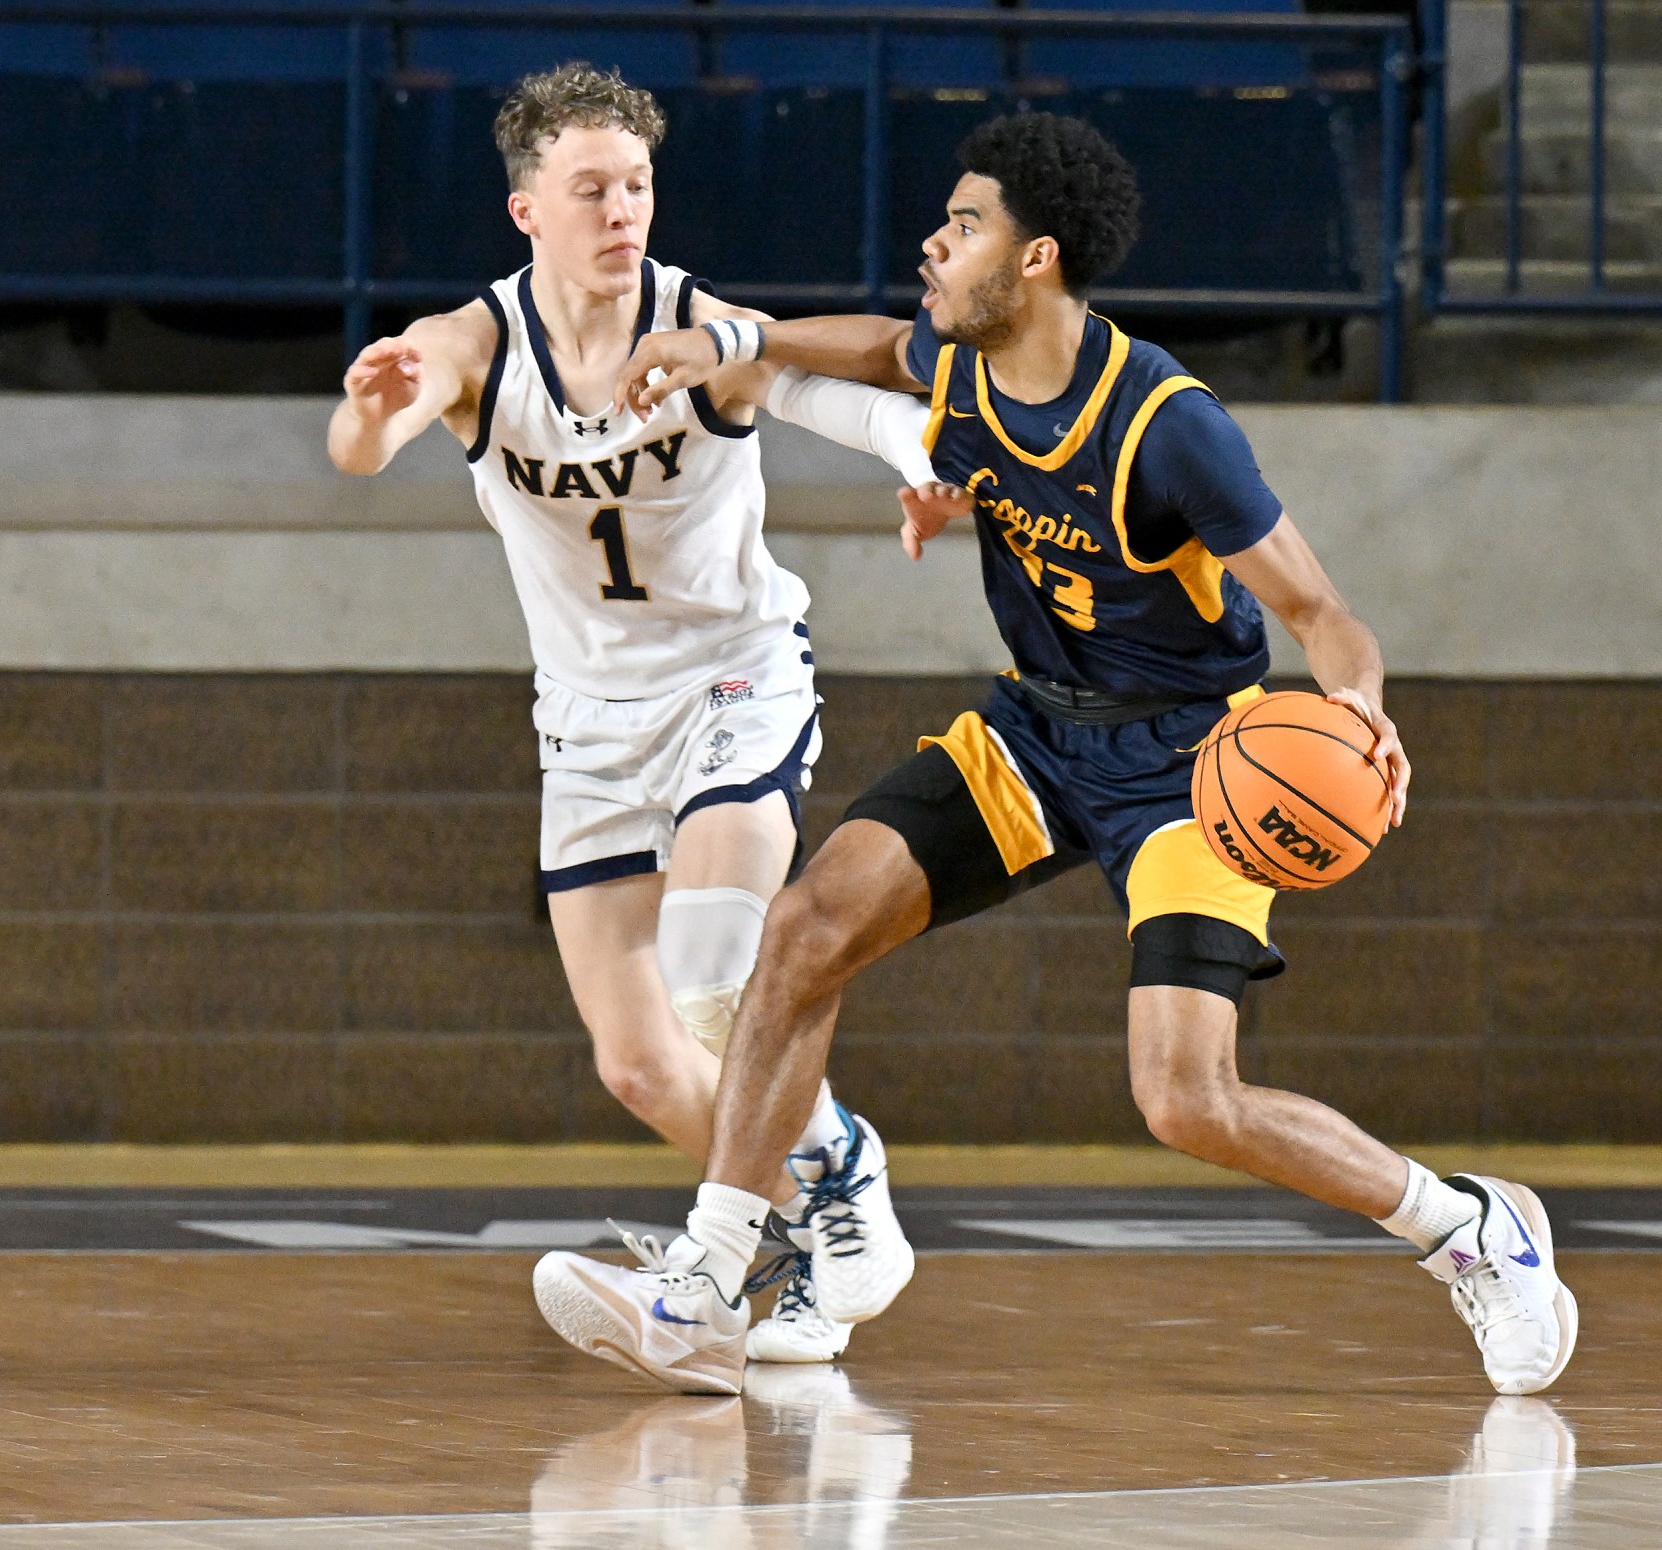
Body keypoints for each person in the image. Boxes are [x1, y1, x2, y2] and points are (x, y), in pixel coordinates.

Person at [533, 111, 1578, 1399]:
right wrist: (738, 342)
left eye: (964, 223)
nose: (935, 240)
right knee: (803, 931)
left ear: (1036, 259)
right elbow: (884, 347)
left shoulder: (1168, 425)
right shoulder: (964, 362)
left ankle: (1469, 1226)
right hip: (1036, 731)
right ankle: (707, 1282)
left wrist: (1360, 708)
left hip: (1191, 765)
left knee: (1187, 1100)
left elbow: (1320, 612)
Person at [327, 62, 967, 1371]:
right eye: (591, 189)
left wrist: (922, 458)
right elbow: (367, 441)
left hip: (734, 676)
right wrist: (370, 411)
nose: (622, 209)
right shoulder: (478, 343)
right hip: (589, 722)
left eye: (637, 184)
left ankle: (836, 1174)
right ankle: (796, 1249)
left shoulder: (694, 323)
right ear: (527, 210)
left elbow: (827, 396)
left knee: (717, 971)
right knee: (638, 1063)